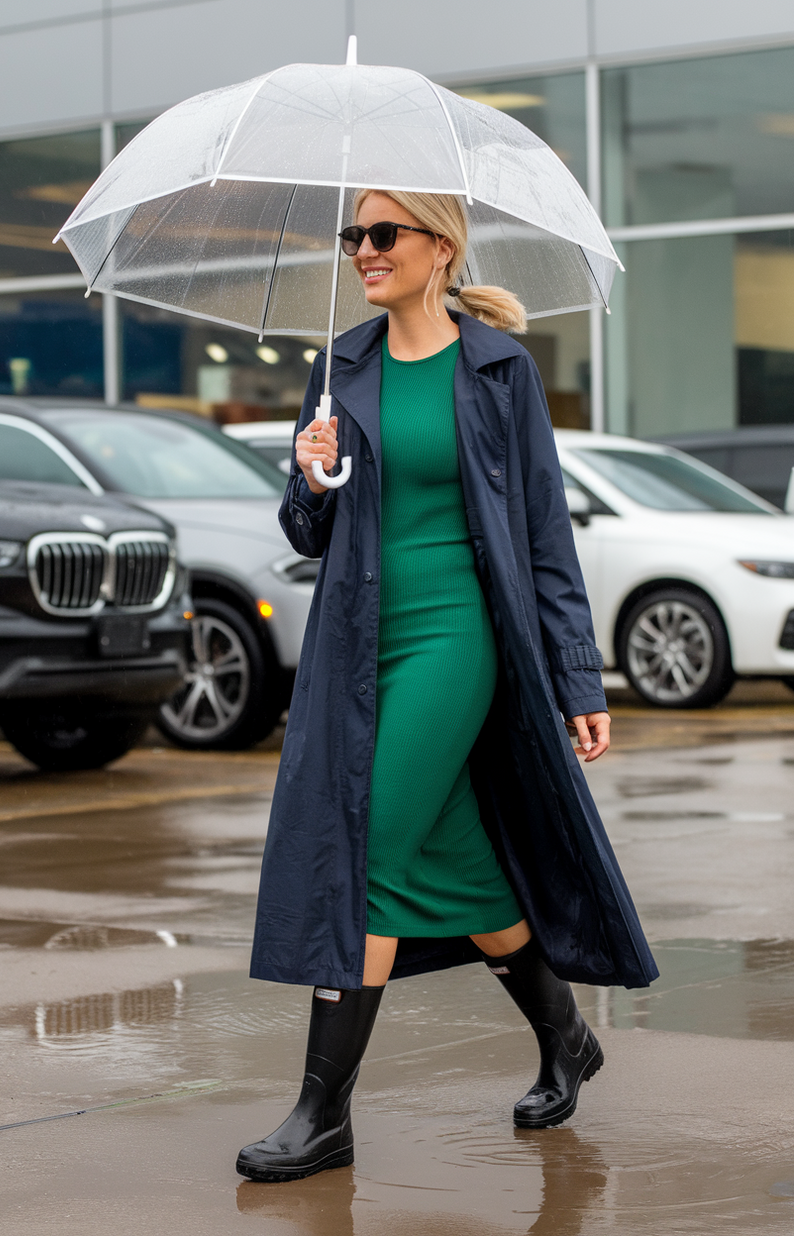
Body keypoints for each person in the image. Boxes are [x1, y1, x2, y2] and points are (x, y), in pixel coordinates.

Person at [236, 190, 657, 1183]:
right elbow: (306, 533)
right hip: (358, 643)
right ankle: (565, 1038)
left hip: (457, 637)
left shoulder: (499, 370)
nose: (364, 253)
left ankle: (321, 1113)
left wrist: (575, 677)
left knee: (369, 845)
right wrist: (309, 473)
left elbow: (545, 538)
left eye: (383, 236)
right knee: (455, 860)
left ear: (439, 248)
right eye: (355, 238)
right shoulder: (339, 365)